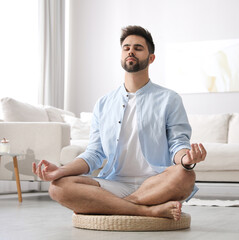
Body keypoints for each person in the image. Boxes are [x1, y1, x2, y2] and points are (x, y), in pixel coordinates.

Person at [32, 25, 206, 221]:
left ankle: (109, 205)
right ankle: (146, 210)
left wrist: (186, 160)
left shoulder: (169, 99)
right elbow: (94, 154)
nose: (131, 50)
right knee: (57, 187)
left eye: (138, 48)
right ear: (121, 55)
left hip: (157, 183)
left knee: (186, 176)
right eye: (126, 47)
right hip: (114, 183)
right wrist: (60, 171)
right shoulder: (104, 103)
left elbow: (178, 144)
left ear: (151, 58)